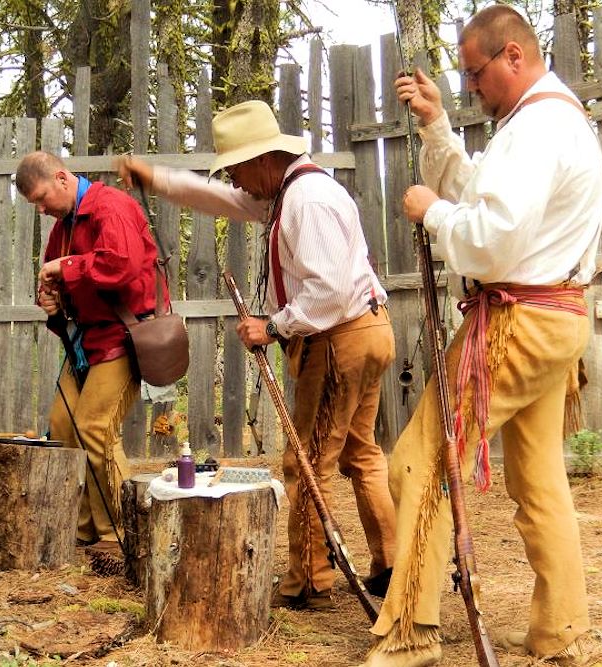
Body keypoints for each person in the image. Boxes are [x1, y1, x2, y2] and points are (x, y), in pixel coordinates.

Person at [363, 6, 602, 666]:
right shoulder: (553, 120)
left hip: (517, 321)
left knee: (421, 459)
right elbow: (491, 199)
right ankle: (564, 632)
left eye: (476, 73)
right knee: (540, 480)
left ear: (514, 58)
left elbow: (489, 240)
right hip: (556, 318)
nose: (472, 86)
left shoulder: (535, 130)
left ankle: (410, 633)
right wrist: (436, 125)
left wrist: (431, 211)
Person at [117, 100, 397, 610]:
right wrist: (156, 178)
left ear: (263, 159)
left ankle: (310, 580)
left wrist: (272, 326)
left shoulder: (305, 200)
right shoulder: (287, 190)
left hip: (340, 339)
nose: (236, 181)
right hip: (367, 329)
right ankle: (391, 562)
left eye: (238, 169)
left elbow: (328, 293)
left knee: (307, 462)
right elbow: (220, 199)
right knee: (360, 453)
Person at [15, 150, 162, 548]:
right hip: (84, 340)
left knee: (93, 428)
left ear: (62, 179)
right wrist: (51, 299)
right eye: (35, 205)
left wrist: (67, 269)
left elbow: (121, 267)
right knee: (63, 428)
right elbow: (55, 280)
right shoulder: (63, 224)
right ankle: (84, 530)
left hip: (122, 334)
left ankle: (120, 533)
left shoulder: (110, 207)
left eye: (43, 198)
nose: (42, 209)